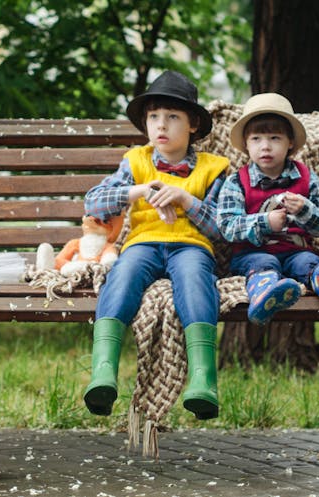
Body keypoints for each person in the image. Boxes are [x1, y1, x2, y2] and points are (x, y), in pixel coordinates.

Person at [83, 70, 229, 420]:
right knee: (124, 274)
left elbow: (223, 227)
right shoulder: (136, 161)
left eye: (173, 117)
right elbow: (93, 203)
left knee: (196, 280)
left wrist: (185, 199)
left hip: (191, 246)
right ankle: (103, 372)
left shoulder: (214, 168)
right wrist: (138, 191)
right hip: (143, 244)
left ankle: (203, 380)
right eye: (154, 117)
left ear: (193, 124)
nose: (161, 125)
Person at [216, 93, 319, 326]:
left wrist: (305, 210)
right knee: (264, 265)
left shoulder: (307, 178)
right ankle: (266, 293)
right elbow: (227, 226)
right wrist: (264, 222)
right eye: (256, 139)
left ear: (290, 143)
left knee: (308, 262)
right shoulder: (237, 182)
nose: (265, 146)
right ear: (246, 145)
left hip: (295, 251)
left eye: (274, 138)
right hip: (251, 254)